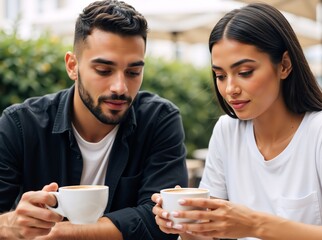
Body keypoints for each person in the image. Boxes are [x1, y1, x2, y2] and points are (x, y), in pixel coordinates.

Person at [0, 0, 188, 239]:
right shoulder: (21, 125)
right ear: (72, 66)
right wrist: (11, 224)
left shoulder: (159, 119)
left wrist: (59, 234)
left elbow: (162, 220)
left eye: (133, 72)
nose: (120, 87)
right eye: (103, 70)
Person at [152, 2, 322, 240]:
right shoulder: (227, 131)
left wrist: (254, 225)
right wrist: (185, 222)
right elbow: (209, 235)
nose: (230, 89)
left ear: (284, 65)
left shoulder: (317, 133)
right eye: (220, 76)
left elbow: (249, 226)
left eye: (244, 72)